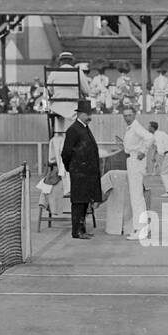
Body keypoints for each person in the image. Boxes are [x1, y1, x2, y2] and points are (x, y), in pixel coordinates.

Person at [60, 100, 102, 240]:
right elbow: (65, 152)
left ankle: (81, 229)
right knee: (78, 202)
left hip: (85, 173)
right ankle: (77, 231)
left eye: (90, 114)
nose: (89, 117)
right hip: (79, 172)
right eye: (87, 114)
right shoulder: (74, 129)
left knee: (84, 202)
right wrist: (71, 167)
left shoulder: (84, 127)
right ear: (80, 114)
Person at [121, 106, 154, 240]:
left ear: (134, 115)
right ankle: (142, 227)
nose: (126, 118)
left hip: (136, 160)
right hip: (132, 159)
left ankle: (141, 229)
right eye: (125, 115)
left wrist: (143, 151)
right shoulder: (131, 128)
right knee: (136, 196)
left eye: (129, 115)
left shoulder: (136, 126)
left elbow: (150, 137)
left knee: (136, 197)